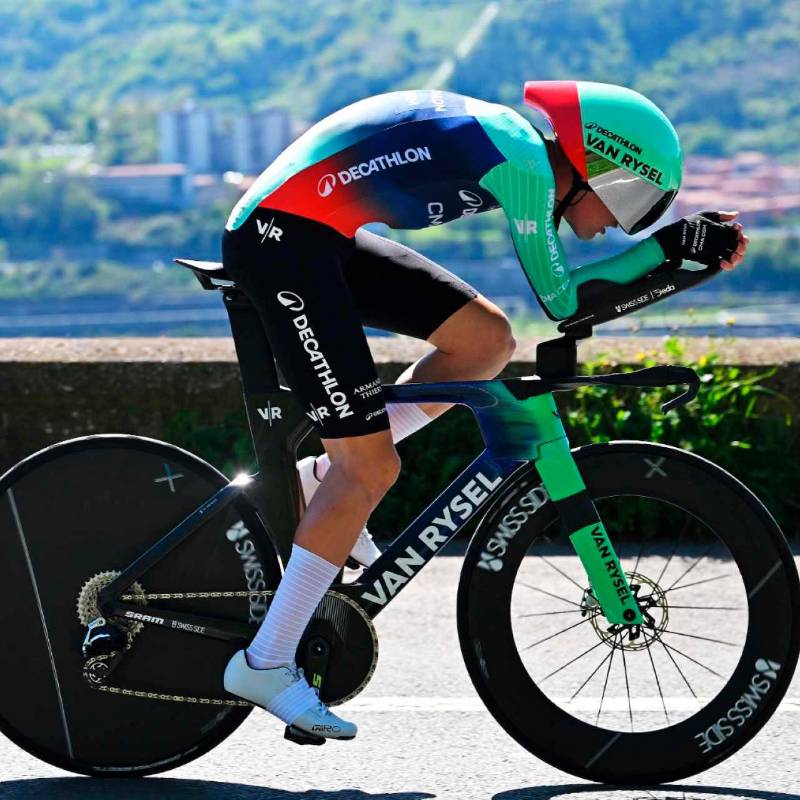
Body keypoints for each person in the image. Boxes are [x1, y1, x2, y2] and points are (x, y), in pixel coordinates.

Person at [221, 81, 748, 740]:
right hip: (281, 242)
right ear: (595, 164)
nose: (622, 224)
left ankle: (324, 480)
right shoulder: (522, 164)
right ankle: (267, 662)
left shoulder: (517, 149)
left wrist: (676, 257)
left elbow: (560, 307)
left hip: (317, 233)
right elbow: (562, 303)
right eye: (631, 200)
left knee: (485, 342)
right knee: (370, 469)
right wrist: (668, 254)